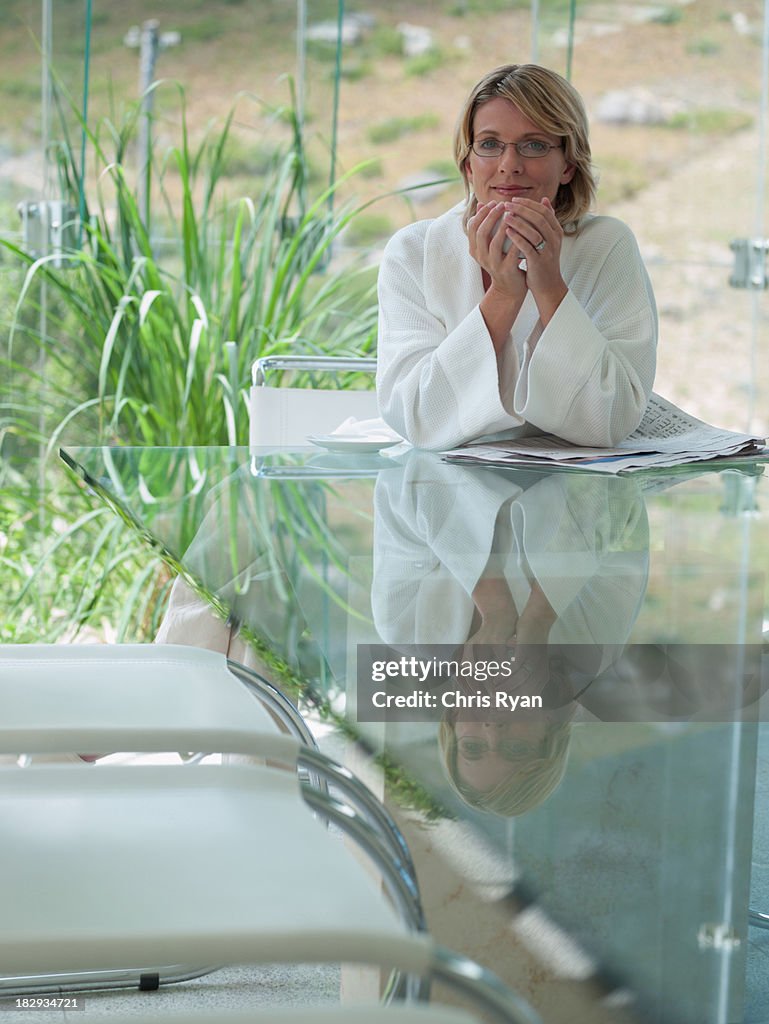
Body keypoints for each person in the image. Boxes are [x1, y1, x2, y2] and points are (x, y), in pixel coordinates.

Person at [376, 63, 658, 451]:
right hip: (443, 498)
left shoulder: (607, 246)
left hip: (574, 501)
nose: (510, 164)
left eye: (535, 145)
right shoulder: (414, 253)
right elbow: (417, 418)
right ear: (467, 163)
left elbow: (612, 419)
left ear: (568, 165)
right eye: (490, 144)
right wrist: (504, 296)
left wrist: (549, 287)